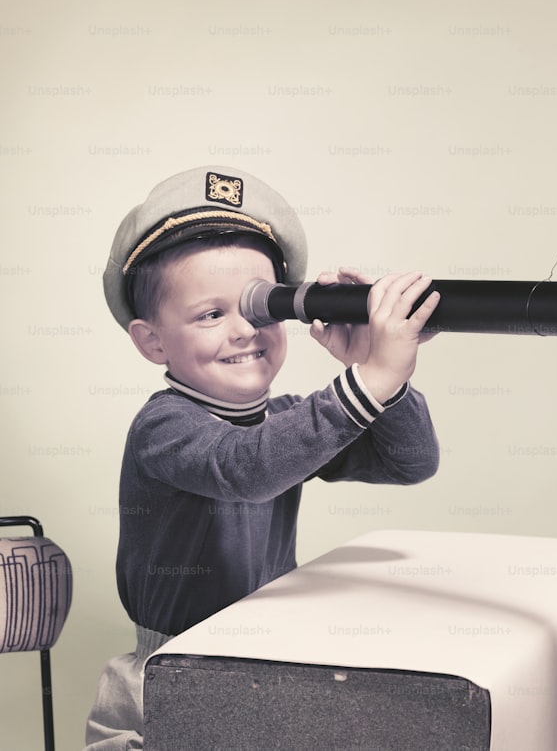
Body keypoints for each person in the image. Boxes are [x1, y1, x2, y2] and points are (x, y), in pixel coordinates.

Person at [85, 166, 440, 749]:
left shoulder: (285, 422)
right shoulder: (164, 426)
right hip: (176, 678)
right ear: (153, 341)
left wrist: (377, 368)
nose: (244, 331)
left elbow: (409, 462)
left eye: (260, 308)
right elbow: (245, 468)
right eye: (209, 314)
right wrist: (369, 381)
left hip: (267, 665)